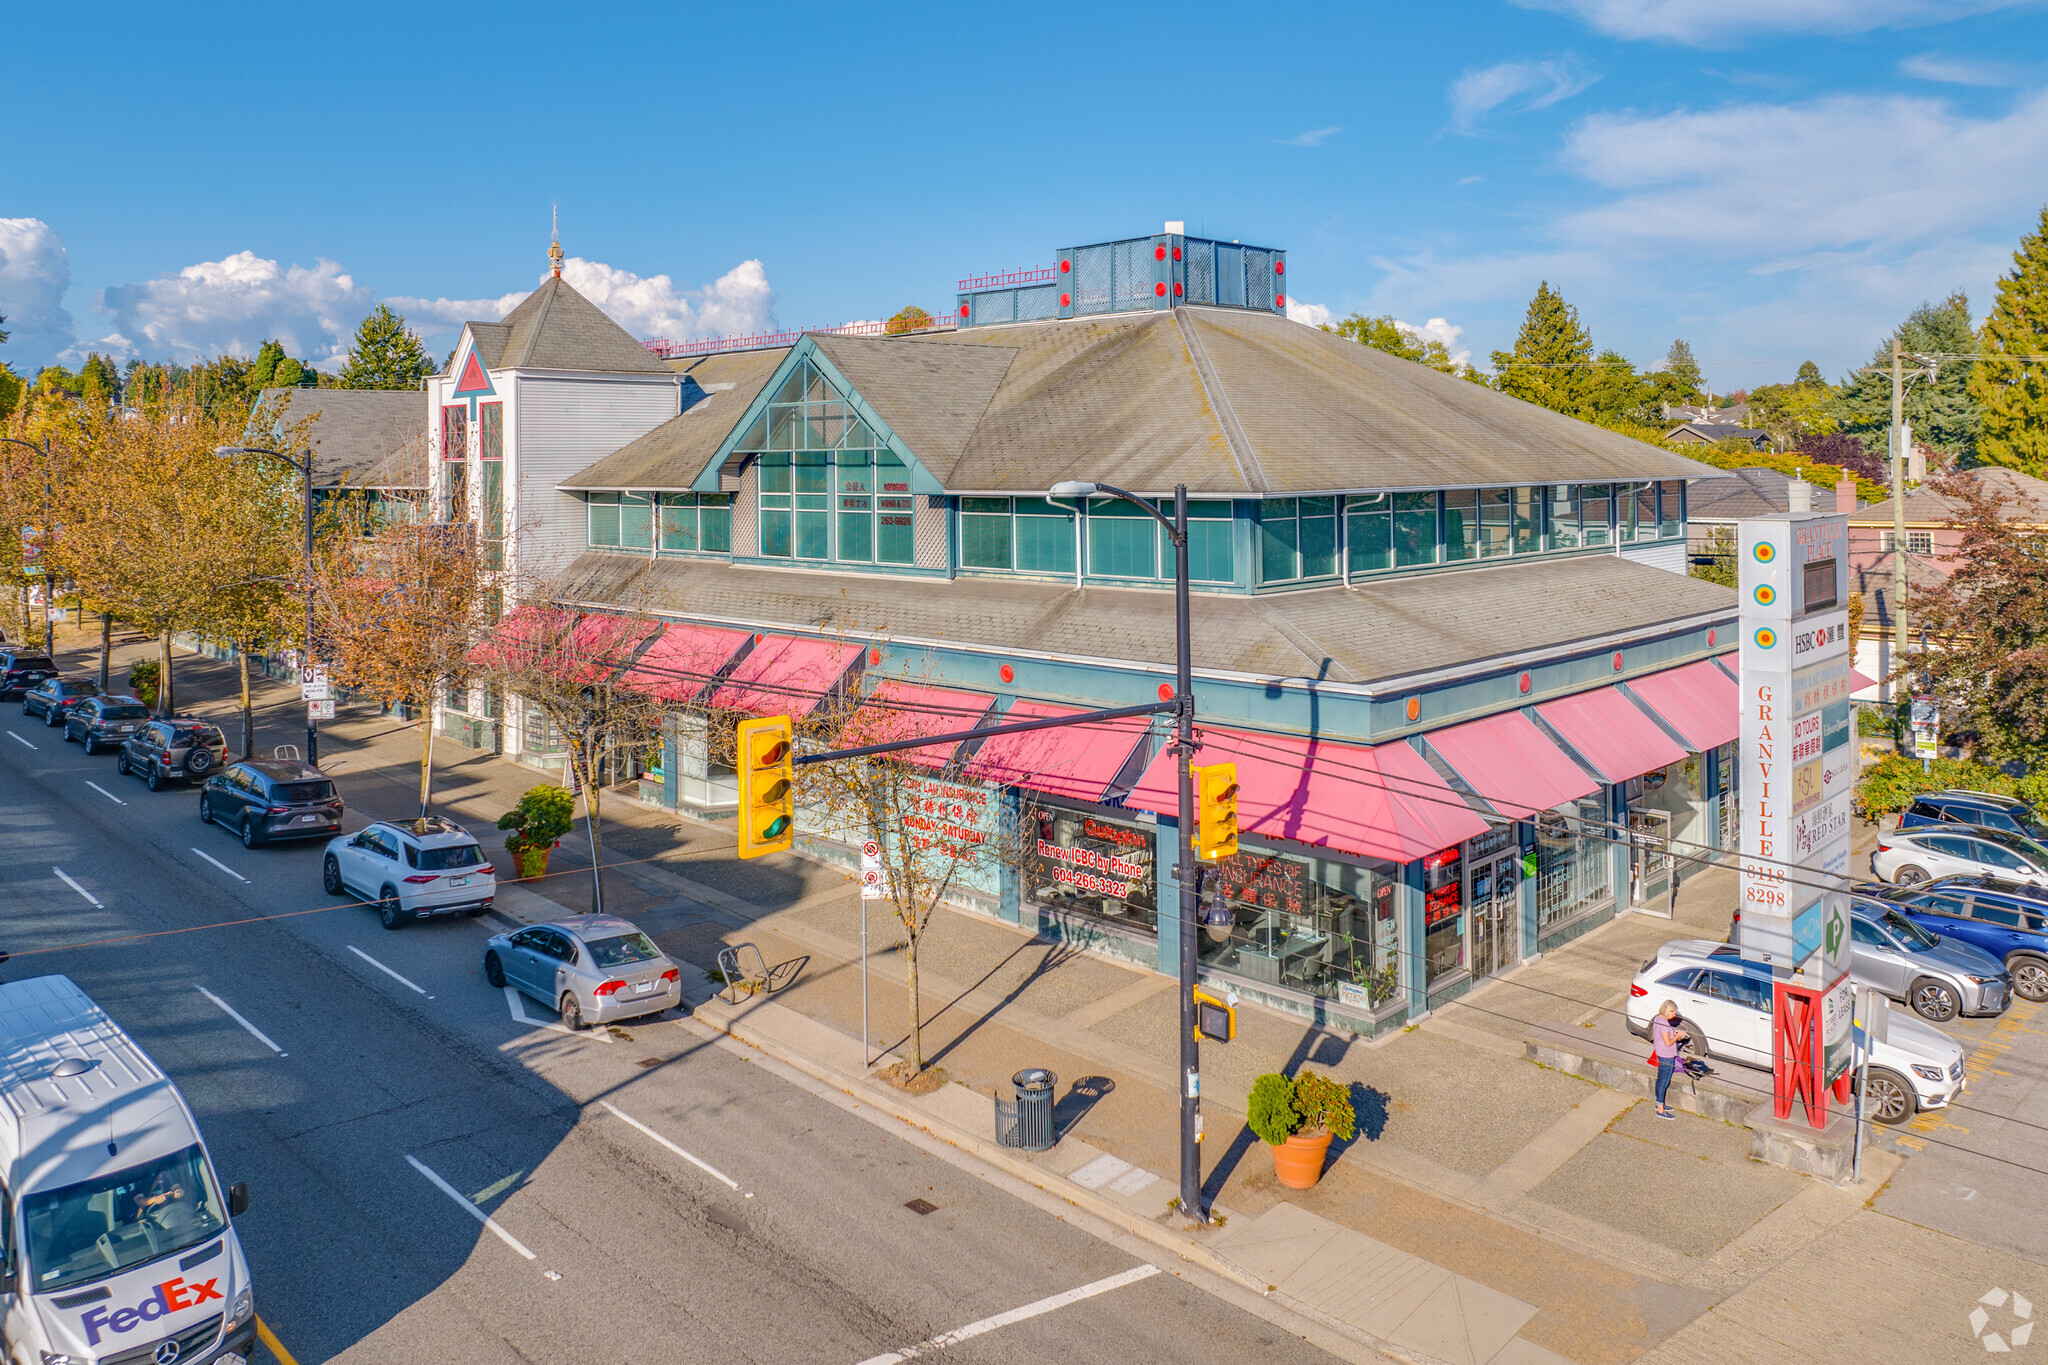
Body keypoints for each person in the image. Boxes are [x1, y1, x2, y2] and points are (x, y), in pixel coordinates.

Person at [1651, 1000, 1689, 1120]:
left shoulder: (1658, 1018)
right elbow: (1668, 1043)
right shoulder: (1665, 1025)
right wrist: (1678, 1036)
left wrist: (1673, 1034)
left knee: (1661, 1079)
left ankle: (1659, 1103)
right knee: (1664, 1081)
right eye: (1674, 1012)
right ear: (1668, 1011)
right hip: (1666, 1055)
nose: (1675, 1015)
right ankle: (1660, 1109)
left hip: (1661, 1053)